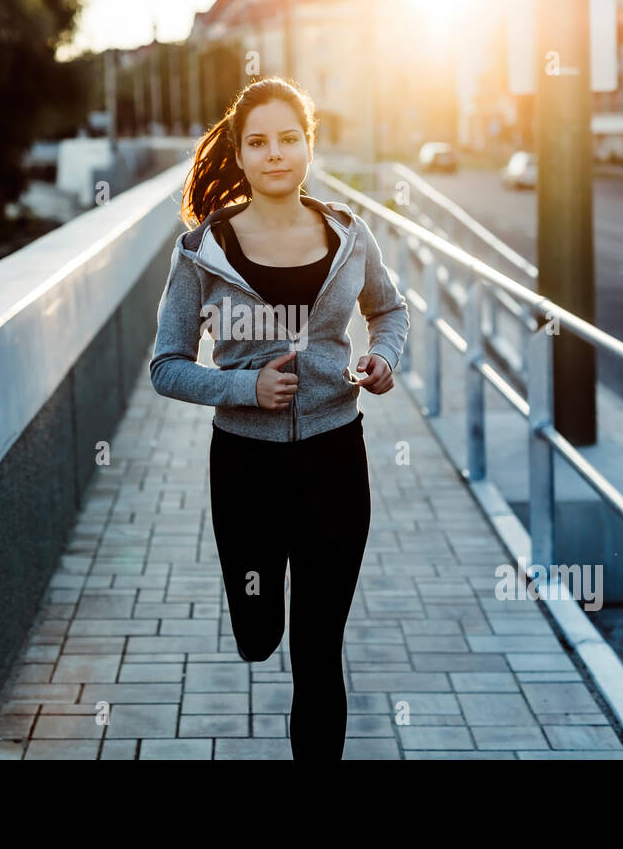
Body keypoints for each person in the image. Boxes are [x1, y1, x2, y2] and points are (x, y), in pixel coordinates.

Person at [150, 76, 409, 759]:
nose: (276, 154)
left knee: (318, 652)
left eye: (289, 139)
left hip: (334, 461)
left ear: (308, 145)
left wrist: (384, 360)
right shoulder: (202, 252)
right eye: (259, 142)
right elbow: (166, 365)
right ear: (238, 154)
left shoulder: (351, 237)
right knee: (262, 632)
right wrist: (243, 387)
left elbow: (390, 310)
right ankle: (254, 622)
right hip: (245, 469)